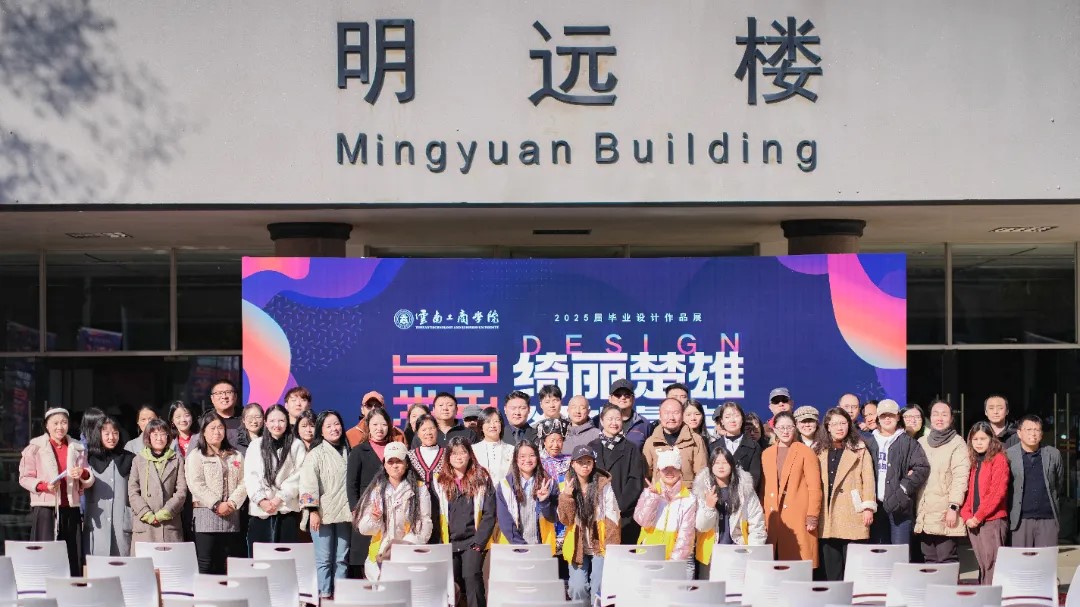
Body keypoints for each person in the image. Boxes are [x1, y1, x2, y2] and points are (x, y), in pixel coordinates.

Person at [19, 407, 93, 576]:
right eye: (55, 423)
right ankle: (43, 587)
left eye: (64, 422)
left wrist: (82, 473)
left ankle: (71, 587)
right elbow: (24, 478)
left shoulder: (77, 447)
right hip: (46, 508)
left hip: (71, 507)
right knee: (45, 554)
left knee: (72, 554)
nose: (60, 427)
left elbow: (88, 474)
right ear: (47, 426)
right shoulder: (35, 447)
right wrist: (44, 486)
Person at [433, 436, 496, 607]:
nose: (459, 457)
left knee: (472, 577)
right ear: (448, 457)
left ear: (470, 454)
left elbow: (490, 513)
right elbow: (435, 515)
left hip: (473, 541)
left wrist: (479, 542)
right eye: (454, 453)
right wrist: (440, 543)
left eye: (463, 452)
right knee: (451, 584)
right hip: (449, 542)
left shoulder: (482, 477)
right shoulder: (439, 480)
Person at [354, 442, 433, 580]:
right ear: (384, 465)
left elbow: (425, 524)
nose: (394, 465)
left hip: (408, 554)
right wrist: (374, 518)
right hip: (379, 555)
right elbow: (364, 529)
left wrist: (404, 547)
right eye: (390, 462)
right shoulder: (376, 490)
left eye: (399, 461)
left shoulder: (420, 489)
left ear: (407, 463)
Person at [816, 408, 876, 581]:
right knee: (831, 567)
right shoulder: (818, 450)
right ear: (827, 427)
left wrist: (868, 507)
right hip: (826, 513)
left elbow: (868, 479)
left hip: (852, 511)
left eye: (843, 423)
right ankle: (835, 595)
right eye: (835, 424)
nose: (839, 427)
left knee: (853, 567)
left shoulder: (859, 448)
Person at [692, 446, 767, 579]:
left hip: (739, 550)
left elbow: (757, 524)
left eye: (725, 462)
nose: (721, 466)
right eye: (717, 463)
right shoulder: (702, 490)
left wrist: (753, 553)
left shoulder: (745, 490)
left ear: (732, 465)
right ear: (711, 466)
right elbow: (701, 527)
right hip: (711, 554)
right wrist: (709, 507)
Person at [558, 445, 621, 603]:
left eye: (588, 461)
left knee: (599, 586)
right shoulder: (566, 484)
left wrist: (612, 547)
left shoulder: (603, 485)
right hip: (577, 544)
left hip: (600, 543)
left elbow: (613, 516)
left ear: (593, 463)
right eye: (580, 462)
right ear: (573, 464)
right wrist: (567, 497)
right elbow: (565, 520)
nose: (585, 465)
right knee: (577, 588)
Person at [300, 410, 352, 599]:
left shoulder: (349, 450)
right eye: (328, 426)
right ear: (320, 431)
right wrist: (312, 510)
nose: (334, 429)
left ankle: (341, 595)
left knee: (342, 558)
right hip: (322, 513)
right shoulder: (315, 454)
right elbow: (307, 484)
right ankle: (324, 594)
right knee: (324, 559)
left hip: (345, 512)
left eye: (336, 424)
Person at [186, 411, 246, 574]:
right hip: (206, 515)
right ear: (203, 432)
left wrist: (232, 503)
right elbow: (195, 483)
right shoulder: (196, 455)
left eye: (220, 428)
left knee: (228, 564)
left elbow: (244, 482)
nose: (217, 432)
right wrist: (216, 504)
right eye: (212, 428)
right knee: (206, 562)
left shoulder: (236, 455)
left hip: (231, 515)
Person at [761, 411, 822, 565]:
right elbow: (764, 487)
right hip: (773, 515)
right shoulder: (766, 454)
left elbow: (814, 487)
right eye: (781, 428)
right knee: (774, 563)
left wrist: (812, 515)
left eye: (789, 427)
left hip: (798, 514)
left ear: (795, 428)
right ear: (774, 429)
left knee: (797, 561)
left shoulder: (805, 452)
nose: (785, 431)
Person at [866, 399, 930, 545]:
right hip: (876, 508)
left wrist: (903, 489)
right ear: (878, 418)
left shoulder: (908, 442)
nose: (887, 419)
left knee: (900, 551)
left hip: (900, 507)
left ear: (898, 417)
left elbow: (922, 467)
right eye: (883, 415)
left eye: (891, 415)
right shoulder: (869, 442)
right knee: (879, 551)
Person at [914, 400, 970, 564]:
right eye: (935, 414)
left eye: (944, 414)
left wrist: (954, 507)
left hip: (946, 512)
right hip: (924, 512)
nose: (939, 418)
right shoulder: (922, 442)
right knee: (929, 558)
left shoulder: (957, 443)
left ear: (951, 419)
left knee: (947, 558)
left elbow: (961, 478)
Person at [245, 404, 307, 543]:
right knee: (261, 552)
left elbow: (298, 475)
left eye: (281, 420)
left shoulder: (296, 445)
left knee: (286, 551)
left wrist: (279, 498)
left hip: (286, 508)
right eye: (272, 421)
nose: (277, 425)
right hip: (261, 510)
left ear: (287, 421)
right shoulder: (255, 445)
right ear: (266, 422)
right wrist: (262, 500)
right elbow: (250, 476)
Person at [347, 408, 395, 577]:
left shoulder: (394, 449)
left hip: (391, 508)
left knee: (385, 554)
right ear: (368, 426)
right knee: (363, 554)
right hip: (366, 510)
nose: (379, 428)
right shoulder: (359, 451)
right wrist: (356, 510)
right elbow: (351, 484)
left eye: (383, 424)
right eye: (375, 424)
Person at [589, 404, 646, 545]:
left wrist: (618, 507)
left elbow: (635, 481)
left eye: (617, 419)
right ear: (602, 421)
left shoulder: (631, 448)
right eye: (610, 419)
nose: (614, 423)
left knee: (622, 553)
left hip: (624, 514)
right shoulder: (592, 447)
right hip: (596, 512)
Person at [960, 421, 1009, 585]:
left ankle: (991, 596)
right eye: (975, 439)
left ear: (991, 439)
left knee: (992, 564)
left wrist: (978, 516)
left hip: (991, 520)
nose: (979, 443)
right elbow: (968, 492)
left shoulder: (998, 459)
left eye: (983, 439)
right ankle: (983, 594)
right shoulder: (973, 461)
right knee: (982, 564)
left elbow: (996, 492)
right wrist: (967, 515)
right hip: (973, 521)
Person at [635, 449, 697, 577]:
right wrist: (653, 498)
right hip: (648, 555)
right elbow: (643, 522)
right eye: (665, 469)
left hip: (674, 560)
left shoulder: (689, 498)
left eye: (674, 468)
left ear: (680, 471)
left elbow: (686, 536)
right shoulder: (649, 492)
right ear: (658, 471)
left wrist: (673, 564)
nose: (669, 472)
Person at [1007, 414, 1064, 548]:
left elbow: (1058, 484)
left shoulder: (1053, 454)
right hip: (1020, 519)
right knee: (1021, 559)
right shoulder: (1008, 455)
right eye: (1028, 430)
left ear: (1041, 433)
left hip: (1048, 518)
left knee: (1046, 559)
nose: (1033, 434)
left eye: (1037, 430)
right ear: (1019, 433)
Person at [130, 418, 189, 544]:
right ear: (148, 437)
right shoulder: (138, 459)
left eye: (163, 434)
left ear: (168, 436)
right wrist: (146, 514)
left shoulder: (177, 459)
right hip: (145, 524)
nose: (159, 438)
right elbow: (133, 491)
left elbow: (181, 491)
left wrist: (165, 512)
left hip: (169, 524)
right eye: (155, 434)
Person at [85, 416, 135, 557]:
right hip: (97, 523)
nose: (111, 438)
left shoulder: (130, 458)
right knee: (97, 564)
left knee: (123, 563)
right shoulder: (89, 458)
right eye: (106, 433)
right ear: (98, 435)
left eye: (115, 433)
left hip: (122, 522)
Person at [495, 441, 558, 551]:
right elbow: (505, 522)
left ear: (537, 458)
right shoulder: (505, 486)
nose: (528, 460)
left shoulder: (549, 483)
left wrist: (544, 502)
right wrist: (522, 547)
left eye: (532, 455)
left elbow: (553, 518)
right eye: (522, 456)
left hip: (541, 548)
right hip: (513, 548)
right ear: (516, 459)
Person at [643, 398, 707, 488]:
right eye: (667, 413)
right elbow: (645, 476)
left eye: (676, 413)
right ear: (660, 416)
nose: (671, 418)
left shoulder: (696, 440)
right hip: (659, 494)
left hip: (687, 494)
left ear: (682, 415)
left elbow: (702, 475)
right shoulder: (651, 442)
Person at [406, 414, 444, 545]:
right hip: (418, 510)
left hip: (442, 509)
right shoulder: (410, 456)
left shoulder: (447, 454)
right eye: (423, 429)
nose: (428, 432)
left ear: (437, 429)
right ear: (417, 433)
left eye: (431, 428)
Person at [710, 402, 763, 492]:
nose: (732, 420)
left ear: (742, 419)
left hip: (745, 495)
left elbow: (755, 477)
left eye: (736, 416)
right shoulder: (713, 447)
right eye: (727, 417)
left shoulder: (753, 446)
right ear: (722, 421)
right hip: (719, 495)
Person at [593, 379, 650, 448]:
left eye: (627, 395)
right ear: (610, 398)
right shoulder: (596, 421)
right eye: (618, 395)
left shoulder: (643, 423)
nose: (623, 397)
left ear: (633, 399)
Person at [472, 407, 514, 486]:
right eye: (488, 422)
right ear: (481, 426)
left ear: (501, 425)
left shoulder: (512, 450)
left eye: (496, 421)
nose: (492, 425)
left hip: (505, 492)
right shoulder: (473, 450)